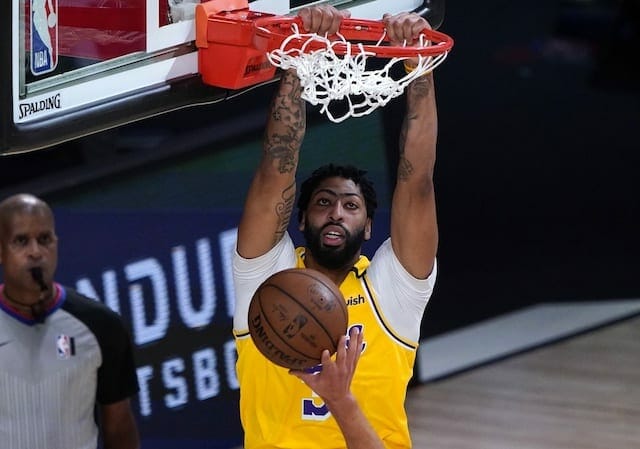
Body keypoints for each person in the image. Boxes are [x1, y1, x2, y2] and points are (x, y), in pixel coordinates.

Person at [232, 5, 439, 449]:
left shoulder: (392, 293)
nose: (336, 213)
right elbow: (275, 172)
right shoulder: (268, 280)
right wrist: (298, 57)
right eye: (323, 203)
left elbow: (417, 181)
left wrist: (417, 64)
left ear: (369, 229)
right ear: (301, 219)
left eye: (351, 206)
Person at [0, 193, 140, 449]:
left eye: (44, 239)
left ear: (56, 244)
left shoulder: (101, 325)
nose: (35, 252)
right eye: (21, 241)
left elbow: (119, 426)